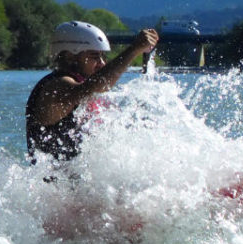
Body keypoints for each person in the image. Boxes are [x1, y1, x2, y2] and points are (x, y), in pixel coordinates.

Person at [26, 21, 158, 161]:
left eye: (103, 57)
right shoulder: (55, 87)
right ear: (70, 56)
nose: (102, 63)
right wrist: (134, 49)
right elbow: (97, 85)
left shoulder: (81, 86)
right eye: (95, 56)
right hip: (56, 181)